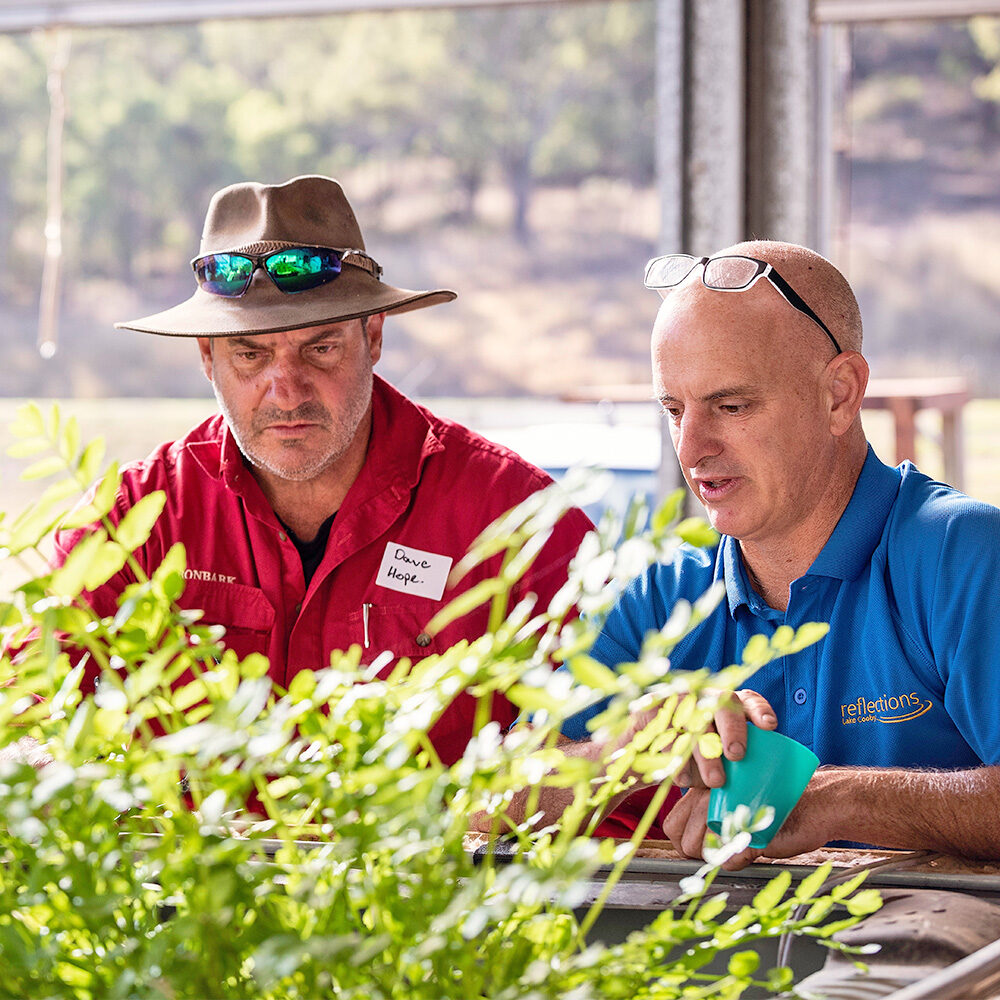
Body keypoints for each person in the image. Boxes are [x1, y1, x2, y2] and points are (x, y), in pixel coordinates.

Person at [52, 174, 593, 767]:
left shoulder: (516, 518)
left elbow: (611, 749)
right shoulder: (138, 515)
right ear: (207, 356)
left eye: (320, 348)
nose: (286, 392)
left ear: (375, 336)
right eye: (250, 354)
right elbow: (24, 709)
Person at [501, 240, 1000, 863]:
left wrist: (845, 799)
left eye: (731, 406)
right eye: (673, 410)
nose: (691, 451)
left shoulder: (964, 555)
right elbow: (487, 797)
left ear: (841, 394)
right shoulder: (660, 590)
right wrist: (629, 747)